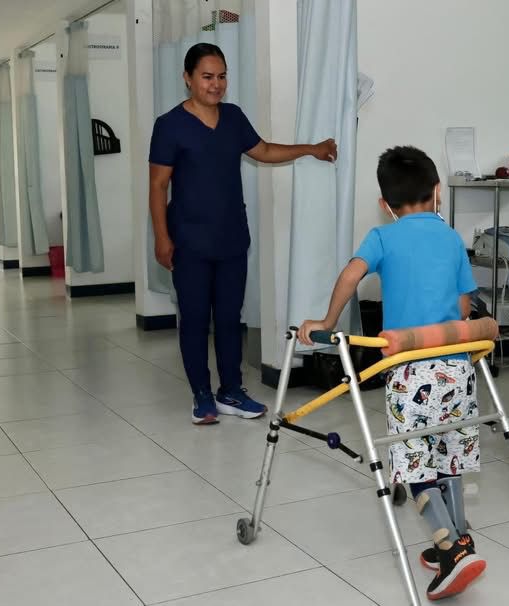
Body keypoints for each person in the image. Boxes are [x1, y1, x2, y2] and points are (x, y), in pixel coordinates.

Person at [298, 146, 485, 600]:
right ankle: (459, 537)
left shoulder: (382, 237)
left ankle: (450, 547)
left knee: (416, 463)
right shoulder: (452, 239)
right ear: (437, 192)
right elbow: (464, 307)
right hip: (455, 365)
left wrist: (326, 322)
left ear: (386, 204)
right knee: (450, 453)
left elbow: (351, 275)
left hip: (409, 372)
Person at [149, 43, 337, 425]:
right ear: (187, 78)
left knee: (229, 317)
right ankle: (202, 395)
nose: (216, 84)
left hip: (232, 238)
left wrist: (311, 149)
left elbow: (263, 150)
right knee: (195, 319)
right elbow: (158, 185)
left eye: (221, 76)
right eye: (207, 77)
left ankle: (231, 391)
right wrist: (162, 237)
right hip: (189, 240)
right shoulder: (169, 125)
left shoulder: (233, 117)